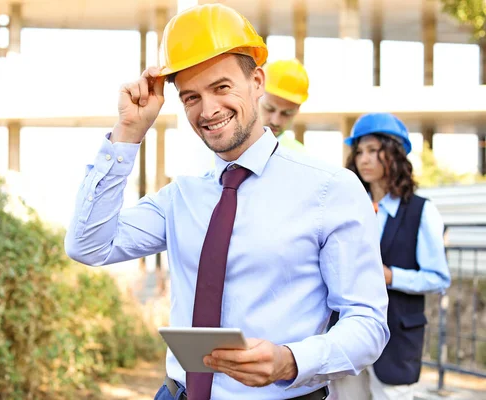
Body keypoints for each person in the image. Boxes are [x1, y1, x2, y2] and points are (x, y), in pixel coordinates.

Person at [65, 4, 389, 400]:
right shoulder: (181, 196)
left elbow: (368, 323)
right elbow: (88, 245)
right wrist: (127, 132)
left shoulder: (331, 189)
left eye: (221, 88)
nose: (208, 110)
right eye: (190, 97)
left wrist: (291, 359)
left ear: (257, 81)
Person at [328, 113, 451, 400]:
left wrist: (391, 276)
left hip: (396, 343)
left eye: (373, 150)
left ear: (394, 154)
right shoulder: (347, 208)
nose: (364, 159)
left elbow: (438, 278)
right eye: (359, 152)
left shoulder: (422, 211)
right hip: (346, 335)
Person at [261, 59, 309, 151]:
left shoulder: (300, 156)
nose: (275, 122)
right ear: (255, 95)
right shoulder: (229, 144)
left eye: (286, 113)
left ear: (298, 108)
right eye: (269, 108)